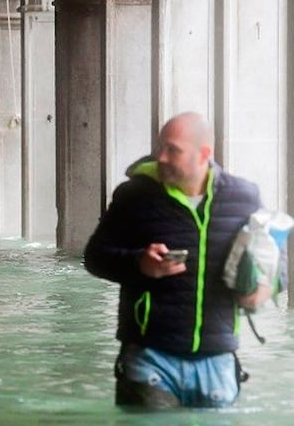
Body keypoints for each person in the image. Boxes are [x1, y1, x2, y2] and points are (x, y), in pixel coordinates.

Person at [83, 112, 267, 409]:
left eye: (173, 150)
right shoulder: (133, 196)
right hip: (149, 358)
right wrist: (139, 264)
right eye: (160, 147)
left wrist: (259, 292)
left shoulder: (244, 197)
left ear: (204, 153)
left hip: (217, 362)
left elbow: (272, 264)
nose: (162, 157)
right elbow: (94, 257)